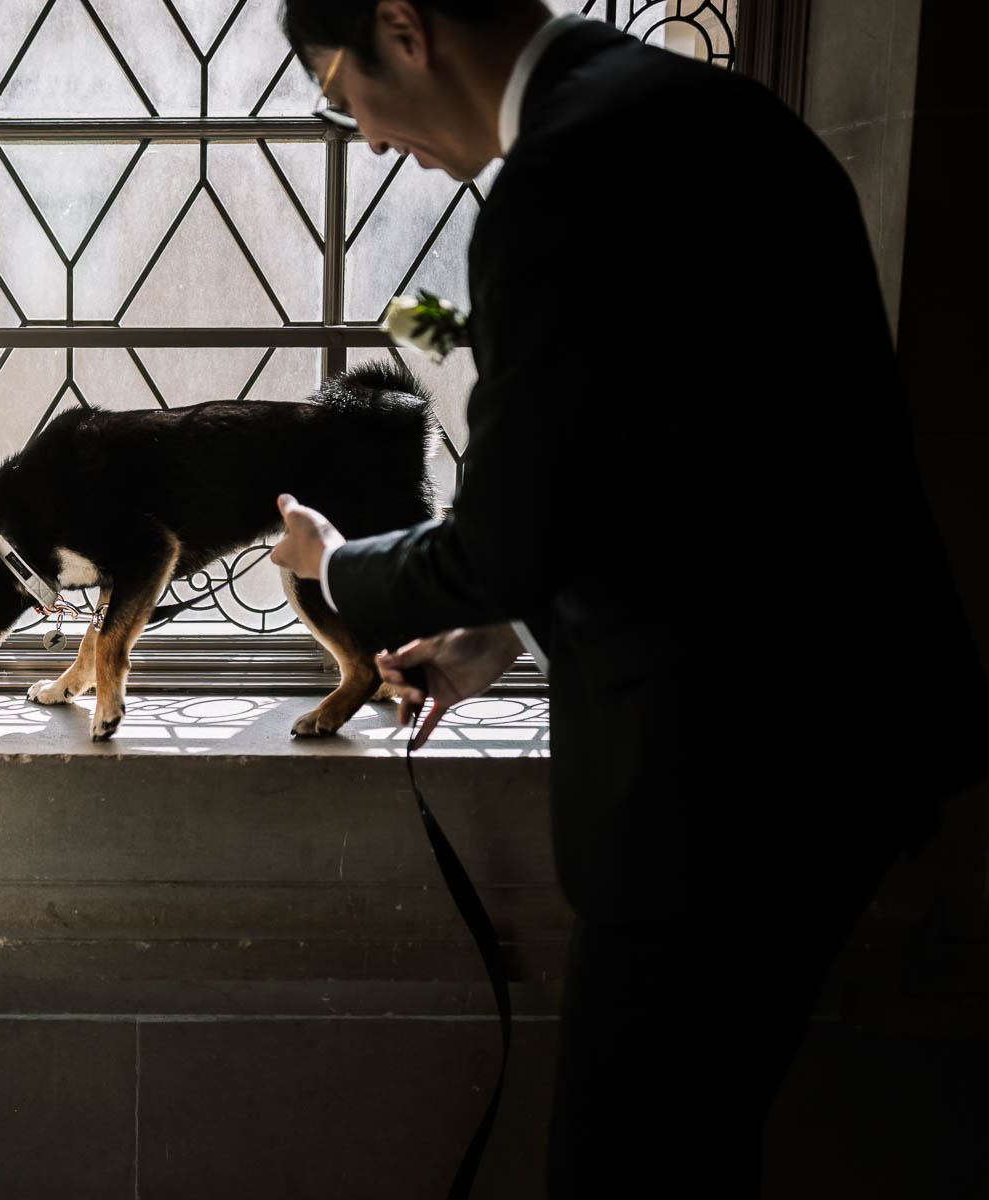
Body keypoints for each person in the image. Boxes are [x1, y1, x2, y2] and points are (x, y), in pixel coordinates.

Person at [268, 1, 989, 1194]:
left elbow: (506, 535)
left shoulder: (560, 181)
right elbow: (716, 471)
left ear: (404, 27)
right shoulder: (714, 114)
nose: (365, 137)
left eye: (340, 95)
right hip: (838, 741)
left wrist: (335, 565)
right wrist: (504, 631)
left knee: (628, 1165)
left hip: (714, 783)